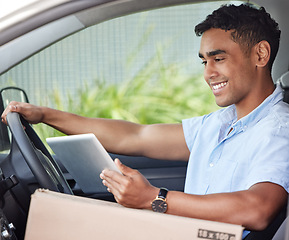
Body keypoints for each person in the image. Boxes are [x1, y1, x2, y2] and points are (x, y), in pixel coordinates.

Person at [2, 4, 289, 239]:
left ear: (260, 54)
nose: (208, 73)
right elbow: (136, 137)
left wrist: (155, 198)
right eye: (204, 61)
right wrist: (45, 116)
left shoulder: (278, 129)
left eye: (219, 58)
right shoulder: (220, 123)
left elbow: (258, 209)